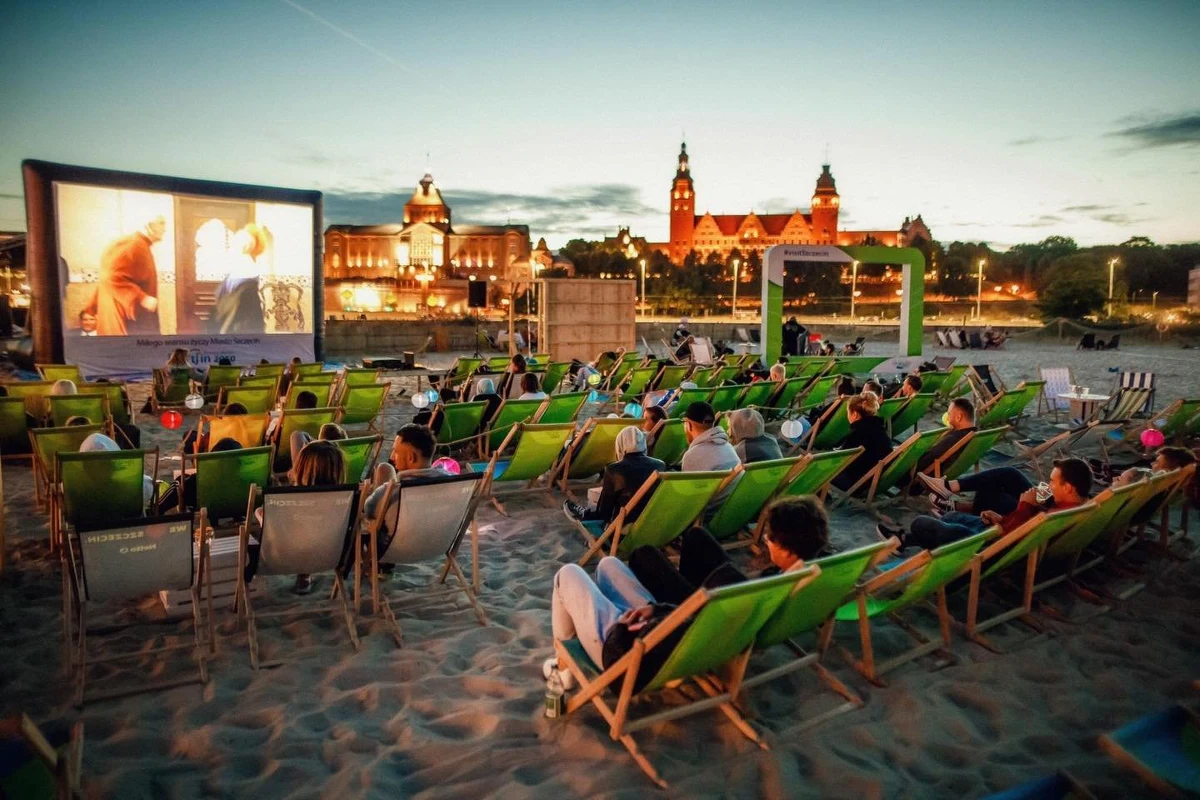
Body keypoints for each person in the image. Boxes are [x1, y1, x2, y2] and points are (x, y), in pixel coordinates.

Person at [628, 496, 830, 603]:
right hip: (729, 597)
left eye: (770, 537)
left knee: (643, 554)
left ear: (787, 551)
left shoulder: (776, 587)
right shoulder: (819, 567)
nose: (766, 540)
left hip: (704, 614)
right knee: (695, 535)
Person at [887, 458, 1092, 550]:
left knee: (922, 523)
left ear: (1069, 488)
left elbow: (1012, 537)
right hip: (999, 530)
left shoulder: (1055, 516)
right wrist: (1000, 518)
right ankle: (909, 538)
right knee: (949, 518)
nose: (1048, 485)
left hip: (991, 546)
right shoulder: (1075, 509)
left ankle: (909, 538)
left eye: (1053, 482)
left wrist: (1024, 505)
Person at [562, 427, 665, 524]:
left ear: (620, 445)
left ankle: (584, 514)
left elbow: (604, 514)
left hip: (622, 529)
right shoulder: (660, 465)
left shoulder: (615, 469)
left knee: (601, 511)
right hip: (652, 524)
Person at [84, 215, 164, 335]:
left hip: (133, 316)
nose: (165, 229)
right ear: (149, 226)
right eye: (161, 223)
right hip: (125, 318)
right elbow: (110, 277)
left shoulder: (141, 245)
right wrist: (142, 297)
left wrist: (91, 308)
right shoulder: (134, 244)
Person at [156, 437, 243, 515]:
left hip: (206, 514)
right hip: (235, 512)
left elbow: (158, 508)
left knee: (179, 482)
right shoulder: (245, 483)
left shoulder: (194, 484)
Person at [212, 224, 268, 334]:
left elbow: (243, 306)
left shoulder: (246, 267)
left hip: (239, 327)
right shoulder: (237, 265)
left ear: (244, 246)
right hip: (231, 323)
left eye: (234, 244)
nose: (230, 247)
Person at [831, 393, 894, 491]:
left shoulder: (856, 435)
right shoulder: (881, 431)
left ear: (855, 414)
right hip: (877, 480)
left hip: (858, 484)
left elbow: (839, 463)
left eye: (848, 412)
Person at [80, 432, 155, 511]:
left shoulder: (76, 491)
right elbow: (150, 489)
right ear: (113, 464)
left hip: (92, 523)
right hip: (130, 523)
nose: (97, 468)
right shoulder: (134, 487)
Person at [911, 397, 977, 480]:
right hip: (944, 477)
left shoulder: (952, 440)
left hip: (921, 478)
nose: (948, 418)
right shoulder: (976, 437)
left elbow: (924, 462)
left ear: (959, 417)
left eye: (949, 414)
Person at [681, 402, 739, 473]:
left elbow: (689, 484)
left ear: (689, 425)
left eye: (684, 422)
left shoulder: (691, 457)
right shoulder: (729, 447)